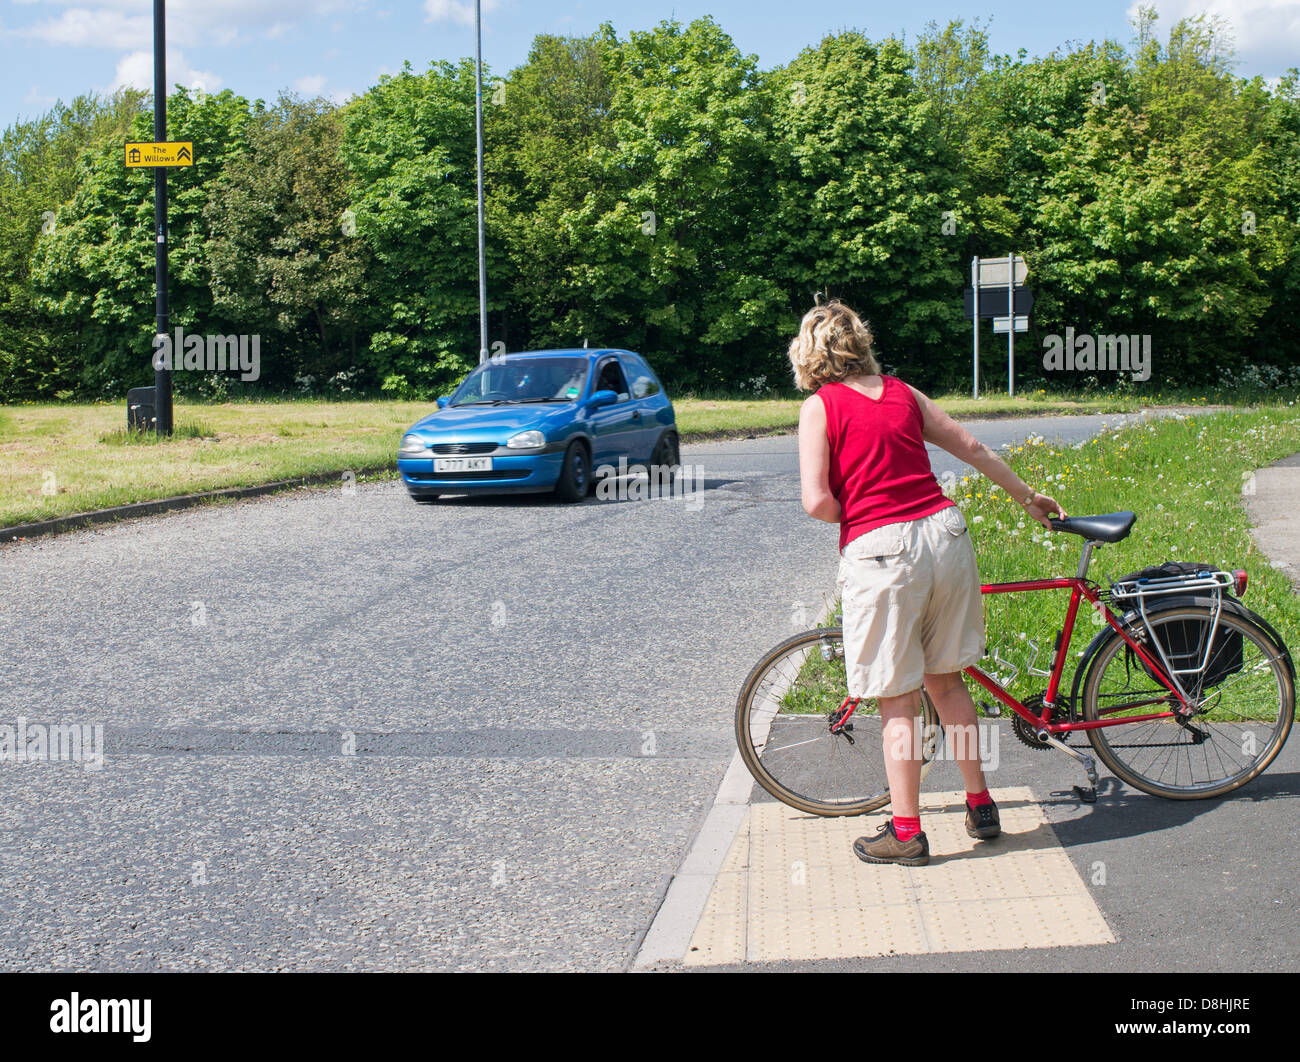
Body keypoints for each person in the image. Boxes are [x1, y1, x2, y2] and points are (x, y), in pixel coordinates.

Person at [789, 299, 1065, 866]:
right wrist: (1028, 499)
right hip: (947, 534)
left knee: (897, 696)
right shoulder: (902, 392)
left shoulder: (820, 406)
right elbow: (972, 446)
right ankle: (981, 803)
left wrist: (866, 512)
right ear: (860, 342)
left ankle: (908, 831)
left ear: (808, 353)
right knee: (947, 681)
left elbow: (816, 501)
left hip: (885, 551)